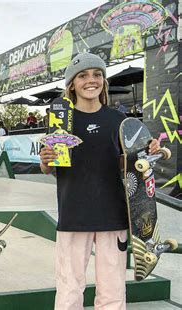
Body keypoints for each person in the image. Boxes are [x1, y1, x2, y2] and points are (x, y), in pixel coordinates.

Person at [39, 53, 160, 310]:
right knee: (69, 287)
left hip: (113, 215)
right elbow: (49, 167)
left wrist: (150, 152)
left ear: (103, 81)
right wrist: (46, 159)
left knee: (113, 288)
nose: (91, 80)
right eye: (82, 75)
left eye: (97, 75)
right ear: (72, 84)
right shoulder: (61, 121)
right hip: (74, 214)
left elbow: (138, 162)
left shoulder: (119, 121)